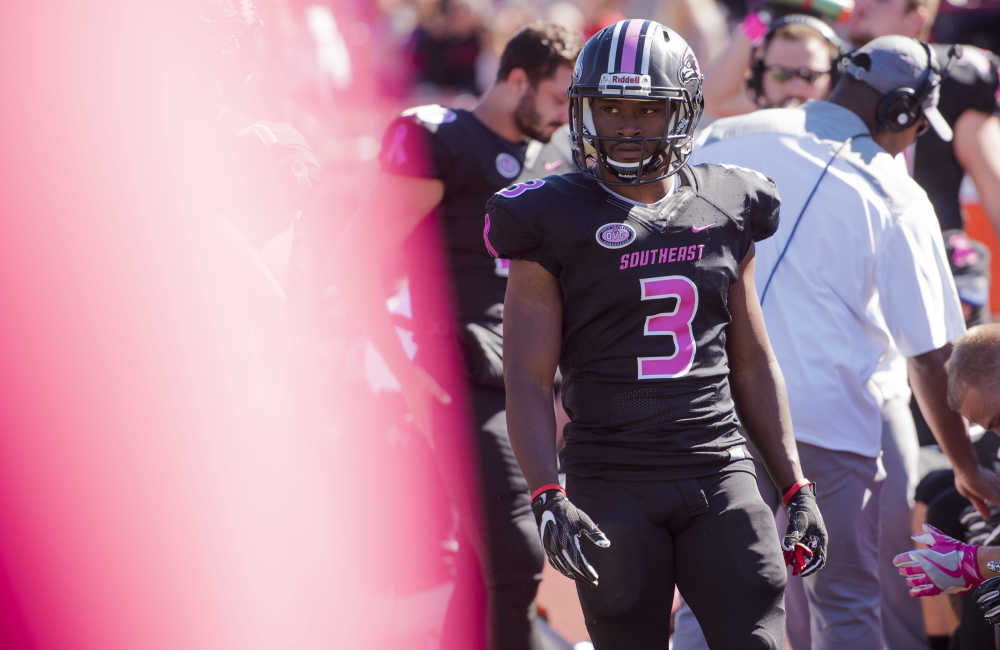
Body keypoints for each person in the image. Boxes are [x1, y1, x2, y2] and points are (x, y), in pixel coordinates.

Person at [486, 19, 828, 650]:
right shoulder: (546, 216)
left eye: (646, 108)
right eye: (609, 107)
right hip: (611, 474)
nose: (624, 125)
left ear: (685, 111)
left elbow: (751, 360)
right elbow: (528, 378)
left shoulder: (728, 202)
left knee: (758, 632)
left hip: (716, 463)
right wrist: (545, 492)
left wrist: (794, 483)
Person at [672, 35, 1000, 650]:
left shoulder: (725, 135)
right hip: (822, 428)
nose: (914, 139)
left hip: (704, 411)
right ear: (900, 109)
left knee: (706, 606)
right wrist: (965, 465)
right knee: (844, 606)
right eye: (915, 125)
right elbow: (931, 358)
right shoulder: (893, 190)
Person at [374, 22, 580, 650]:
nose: (560, 117)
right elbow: (360, 260)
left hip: (523, 376)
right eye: (555, 98)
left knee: (483, 555)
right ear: (517, 78)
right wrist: (406, 370)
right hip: (457, 369)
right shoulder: (443, 139)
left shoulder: (550, 159)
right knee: (518, 553)